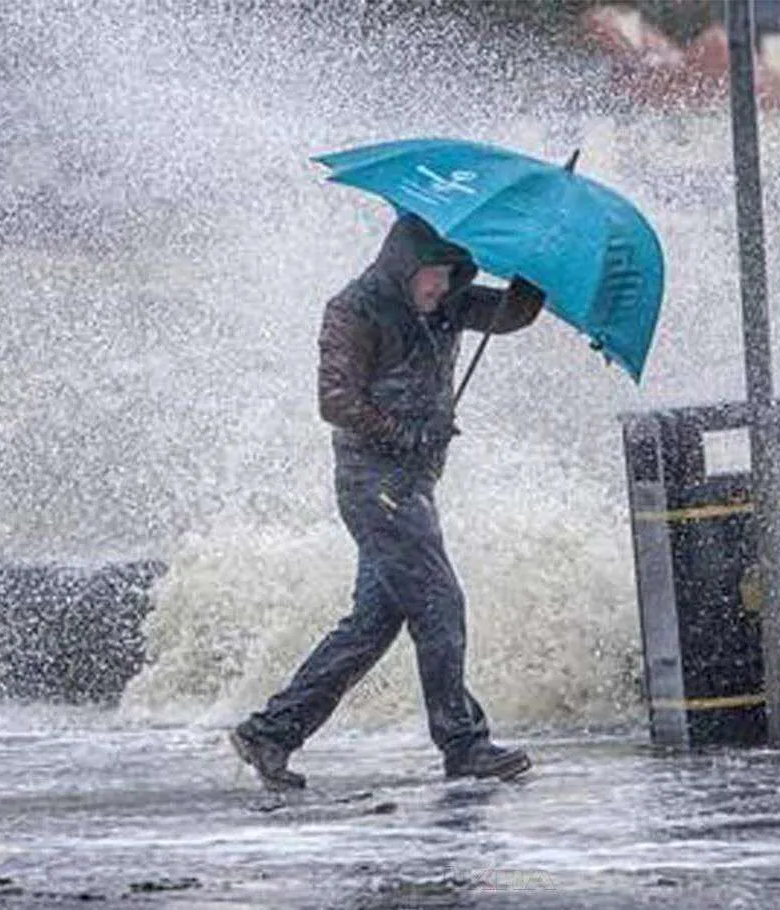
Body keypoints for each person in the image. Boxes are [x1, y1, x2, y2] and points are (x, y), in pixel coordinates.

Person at [230, 213, 545, 789]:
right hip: (373, 483)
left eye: (452, 276)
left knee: (373, 623)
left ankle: (270, 733)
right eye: (433, 276)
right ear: (405, 266)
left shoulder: (447, 301)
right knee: (440, 602)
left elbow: (510, 315)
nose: (441, 288)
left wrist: (535, 271)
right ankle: (463, 743)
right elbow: (335, 401)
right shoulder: (354, 310)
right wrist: (404, 434)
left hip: (412, 485)